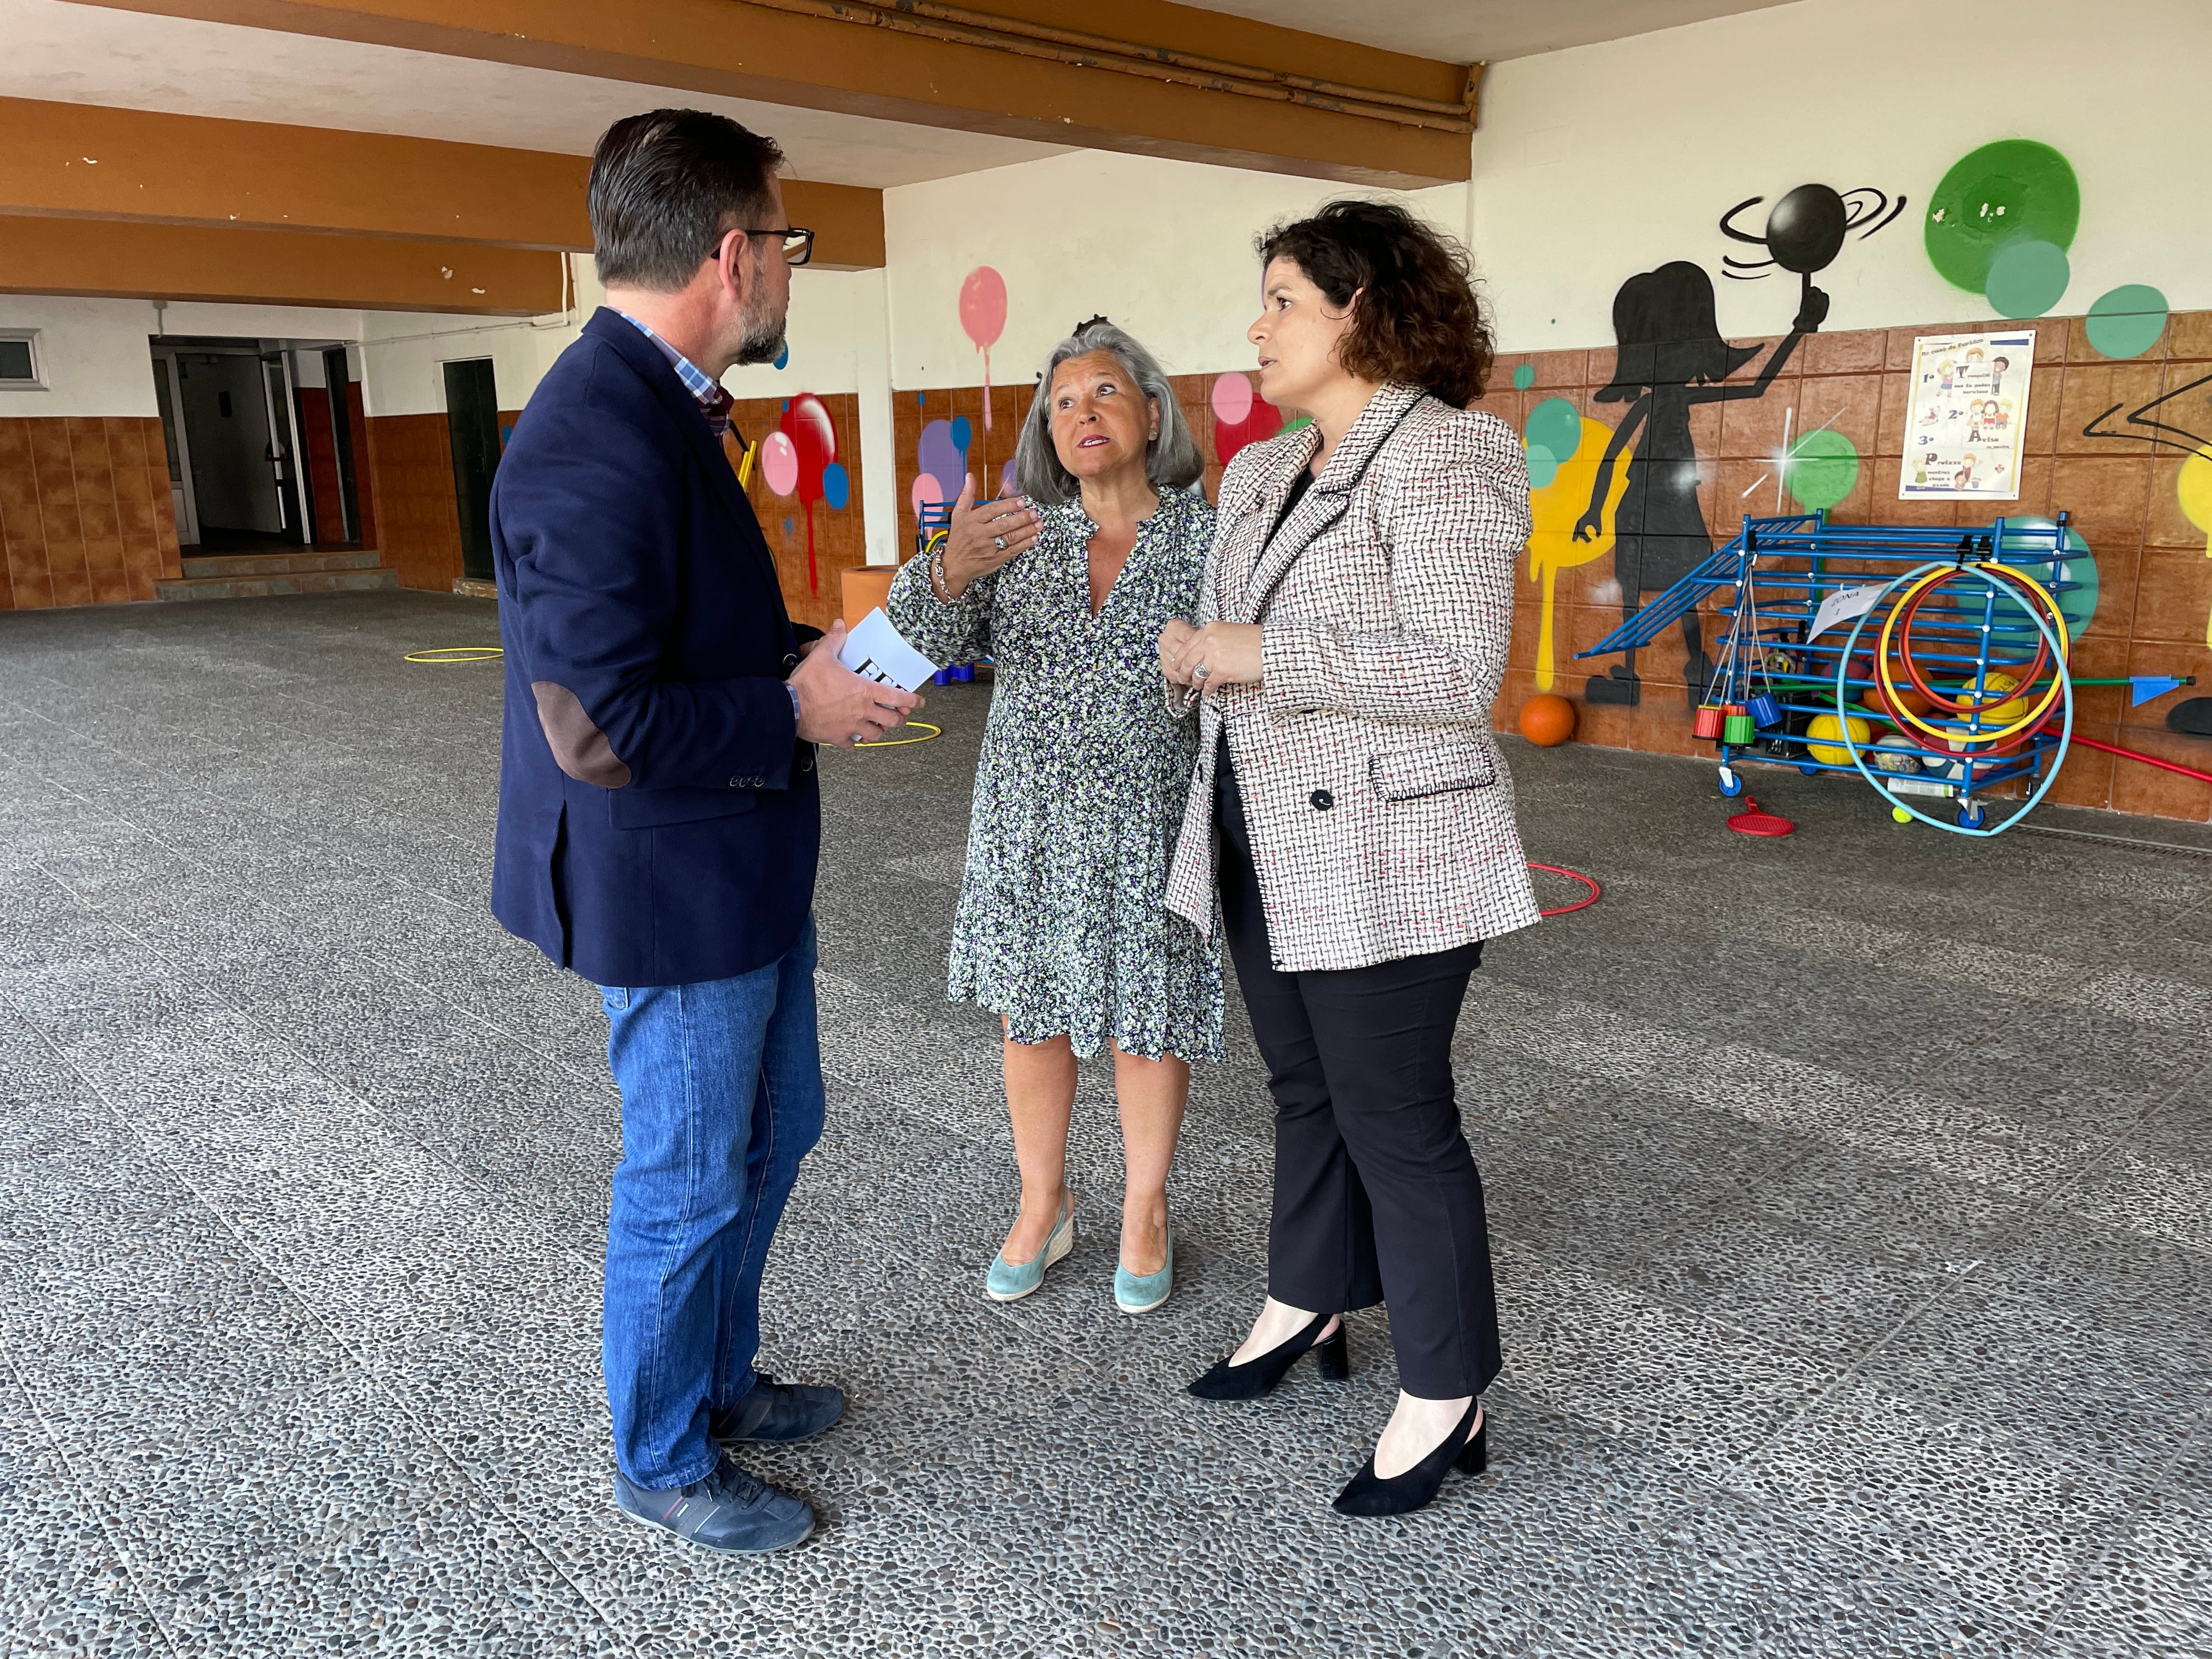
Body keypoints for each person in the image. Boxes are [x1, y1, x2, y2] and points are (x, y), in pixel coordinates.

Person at [488, 109, 921, 1555]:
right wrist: (792, 708)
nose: (791, 269)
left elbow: (687, 636)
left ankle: (719, 1381)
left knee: (776, 1131)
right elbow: (599, 724)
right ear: (734, 255)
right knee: (685, 1176)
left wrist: (809, 659)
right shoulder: (592, 433)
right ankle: (664, 1459)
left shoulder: (663, 405)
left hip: (736, 863)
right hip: (669, 885)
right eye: (788, 241)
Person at [1158, 200, 1542, 1517]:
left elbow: (1457, 671)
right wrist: (1196, 654)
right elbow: (1229, 636)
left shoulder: (1448, 454)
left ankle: (1447, 1386)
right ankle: (1308, 1297)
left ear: (1362, 309)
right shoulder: (1263, 472)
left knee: (1397, 1117)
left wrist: (1256, 654)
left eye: (1282, 300)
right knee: (1305, 1089)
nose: (1256, 326)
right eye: (1263, 299)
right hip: (1258, 832)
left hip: (1393, 848)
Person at [886, 319, 1221, 1314]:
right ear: (1047, 431)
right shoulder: (1017, 535)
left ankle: (1146, 1208)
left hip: (1153, 819)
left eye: (1106, 392)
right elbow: (913, 647)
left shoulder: (1208, 539)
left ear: (1151, 413)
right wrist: (948, 568)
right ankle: (1045, 1202)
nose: (1084, 412)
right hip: (1027, 820)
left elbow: (1252, 663)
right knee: (1030, 1014)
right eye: (1063, 401)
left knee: (1148, 1019)